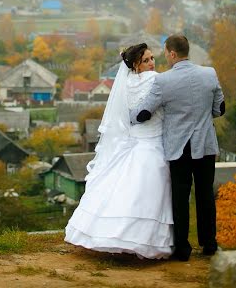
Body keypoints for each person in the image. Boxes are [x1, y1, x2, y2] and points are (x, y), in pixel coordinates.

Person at [65, 43, 174, 259]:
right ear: (135, 64)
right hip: (151, 144)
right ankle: (142, 240)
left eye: (153, 58)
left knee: (120, 189)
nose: (152, 63)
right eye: (147, 60)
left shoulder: (125, 83)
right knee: (147, 192)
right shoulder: (156, 80)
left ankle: (107, 233)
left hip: (132, 142)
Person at [129, 34, 225, 261]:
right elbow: (220, 109)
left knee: (180, 197)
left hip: (178, 149)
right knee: (205, 195)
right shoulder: (209, 74)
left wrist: (127, 117)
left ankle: (183, 249)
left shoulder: (163, 81)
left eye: (165, 52)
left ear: (172, 53)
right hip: (205, 146)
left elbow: (144, 113)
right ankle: (209, 244)